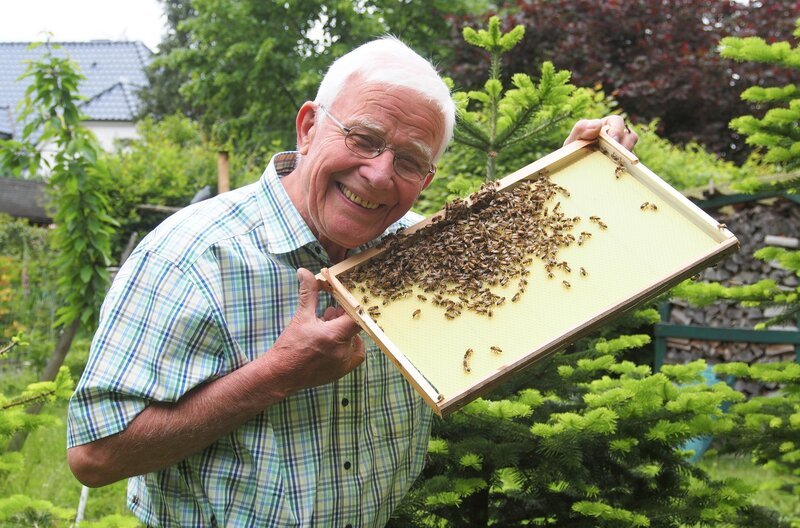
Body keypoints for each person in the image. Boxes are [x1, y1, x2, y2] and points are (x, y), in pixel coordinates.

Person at [66, 36, 638, 527]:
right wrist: (278, 374)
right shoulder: (190, 256)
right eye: (363, 139)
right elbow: (94, 455)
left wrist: (573, 173)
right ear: (309, 127)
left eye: (411, 160)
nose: (379, 174)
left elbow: (504, 257)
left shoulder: (414, 247)